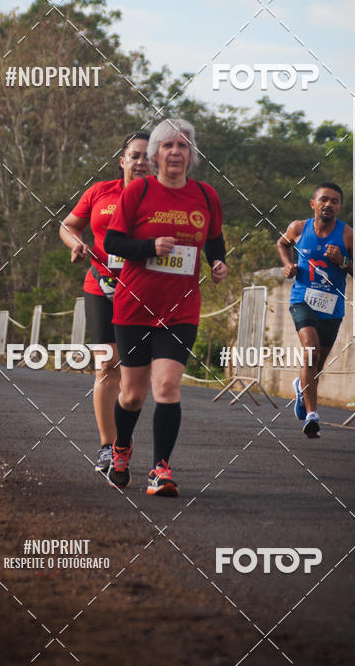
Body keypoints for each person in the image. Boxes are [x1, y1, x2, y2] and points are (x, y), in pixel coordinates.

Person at [105, 118, 227, 496]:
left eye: (183, 146)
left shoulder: (206, 196)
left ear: (191, 156)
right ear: (157, 155)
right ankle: (121, 448)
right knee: (132, 395)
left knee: (168, 385)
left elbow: (214, 240)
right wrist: (149, 247)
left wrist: (218, 263)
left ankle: (160, 469)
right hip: (135, 307)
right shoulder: (139, 191)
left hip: (181, 308)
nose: (176, 151)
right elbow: (113, 242)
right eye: (169, 146)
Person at [59, 133, 150, 475]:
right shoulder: (100, 192)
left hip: (143, 290)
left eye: (146, 156)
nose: (140, 161)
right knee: (105, 366)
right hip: (100, 286)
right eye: (134, 155)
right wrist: (75, 244)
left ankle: (123, 442)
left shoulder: (160, 199)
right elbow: (67, 226)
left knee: (135, 377)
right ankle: (106, 448)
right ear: (122, 160)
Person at [277, 183, 353, 438]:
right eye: (324, 200)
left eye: (334, 201)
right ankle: (312, 415)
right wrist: (288, 265)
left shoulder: (348, 236)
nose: (329, 204)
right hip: (303, 299)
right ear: (314, 203)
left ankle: (302, 388)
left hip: (332, 306)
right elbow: (282, 244)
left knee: (317, 362)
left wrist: (342, 262)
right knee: (310, 350)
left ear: (340, 207)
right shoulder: (298, 228)